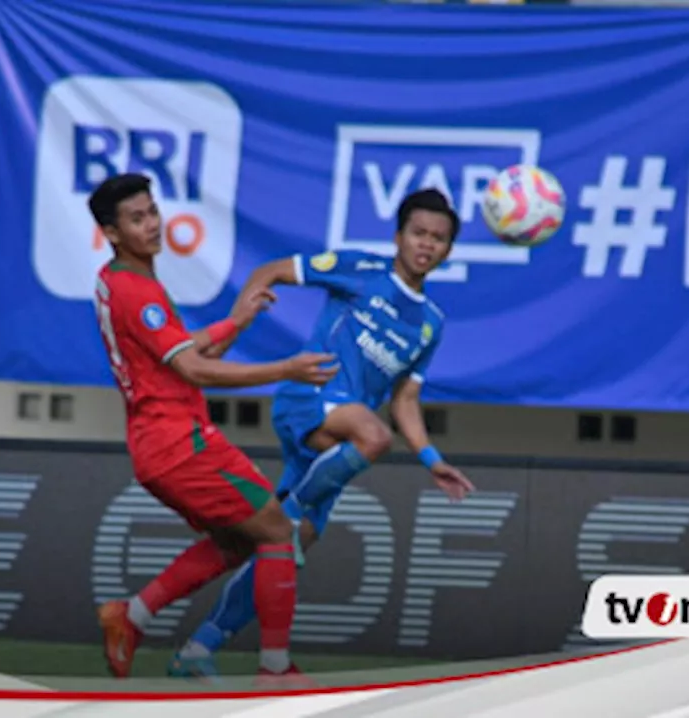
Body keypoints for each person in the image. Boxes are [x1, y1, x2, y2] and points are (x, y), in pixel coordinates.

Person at [168, 189, 476, 680]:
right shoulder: (359, 270)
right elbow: (271, 270)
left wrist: (432, 459)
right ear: (398, 236)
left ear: (448, 250)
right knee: (374, 439)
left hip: (335, 441)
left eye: (438, 239)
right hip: (308, 399)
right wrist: (236, 325)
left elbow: (405, 401)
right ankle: (288, 519)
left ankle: (200, 649)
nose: (427, 244)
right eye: (418, 233)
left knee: (275, 551)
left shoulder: (431, 324)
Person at [89, 173, 339, 688]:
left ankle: (132, 615)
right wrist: (285, 369)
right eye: (137, 219)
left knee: (239, 543)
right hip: (182, 444)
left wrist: (236, 322)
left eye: (153, 211)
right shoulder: (138, 292)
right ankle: (274, 668)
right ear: (112, 233)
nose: (153, 225)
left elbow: (186, 352)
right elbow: (196, 371)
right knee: (276, 531)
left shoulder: (122, 281)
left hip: (159, 447)